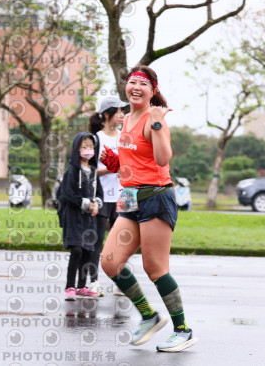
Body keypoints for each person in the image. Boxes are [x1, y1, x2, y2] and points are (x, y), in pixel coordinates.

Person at [99, 65, 198, 352]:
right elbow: (136, 160)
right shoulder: (127, 119)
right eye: (132, 82)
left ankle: (183, 330)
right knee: (110, 262)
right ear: (126, 87)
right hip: (130, 197)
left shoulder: (154, 119)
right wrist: (117, 164)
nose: (136, 87)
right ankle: (148, 315)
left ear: (153, 91)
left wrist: (156, 124)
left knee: (155, 267)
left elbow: (163, 158)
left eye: (143, 84)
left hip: (156, 196)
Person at [87, 97, 128, 297]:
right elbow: (88, 170)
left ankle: (120, 282)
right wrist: (111, 169)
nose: (122, 115)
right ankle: (94, 282)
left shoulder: (125, 138)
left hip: (122, 197)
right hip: (100, 197)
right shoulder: (95, 139)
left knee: (120, 242)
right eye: (117, 111)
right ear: (106, 114)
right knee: (97, 241)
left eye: (122, 111)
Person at [58, 132, 104, 301]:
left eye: (91, 147)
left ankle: (82, 287)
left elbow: (100, 193)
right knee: (76, 250)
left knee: (87, 252)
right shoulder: (71, 172)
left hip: (89, 219)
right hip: (74, 217)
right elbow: (67, 194)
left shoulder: (94, 172)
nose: (88, 150)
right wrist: (85, 203)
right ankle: (70, 287)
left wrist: (97, 204)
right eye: (84, 147)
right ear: (77, 149)